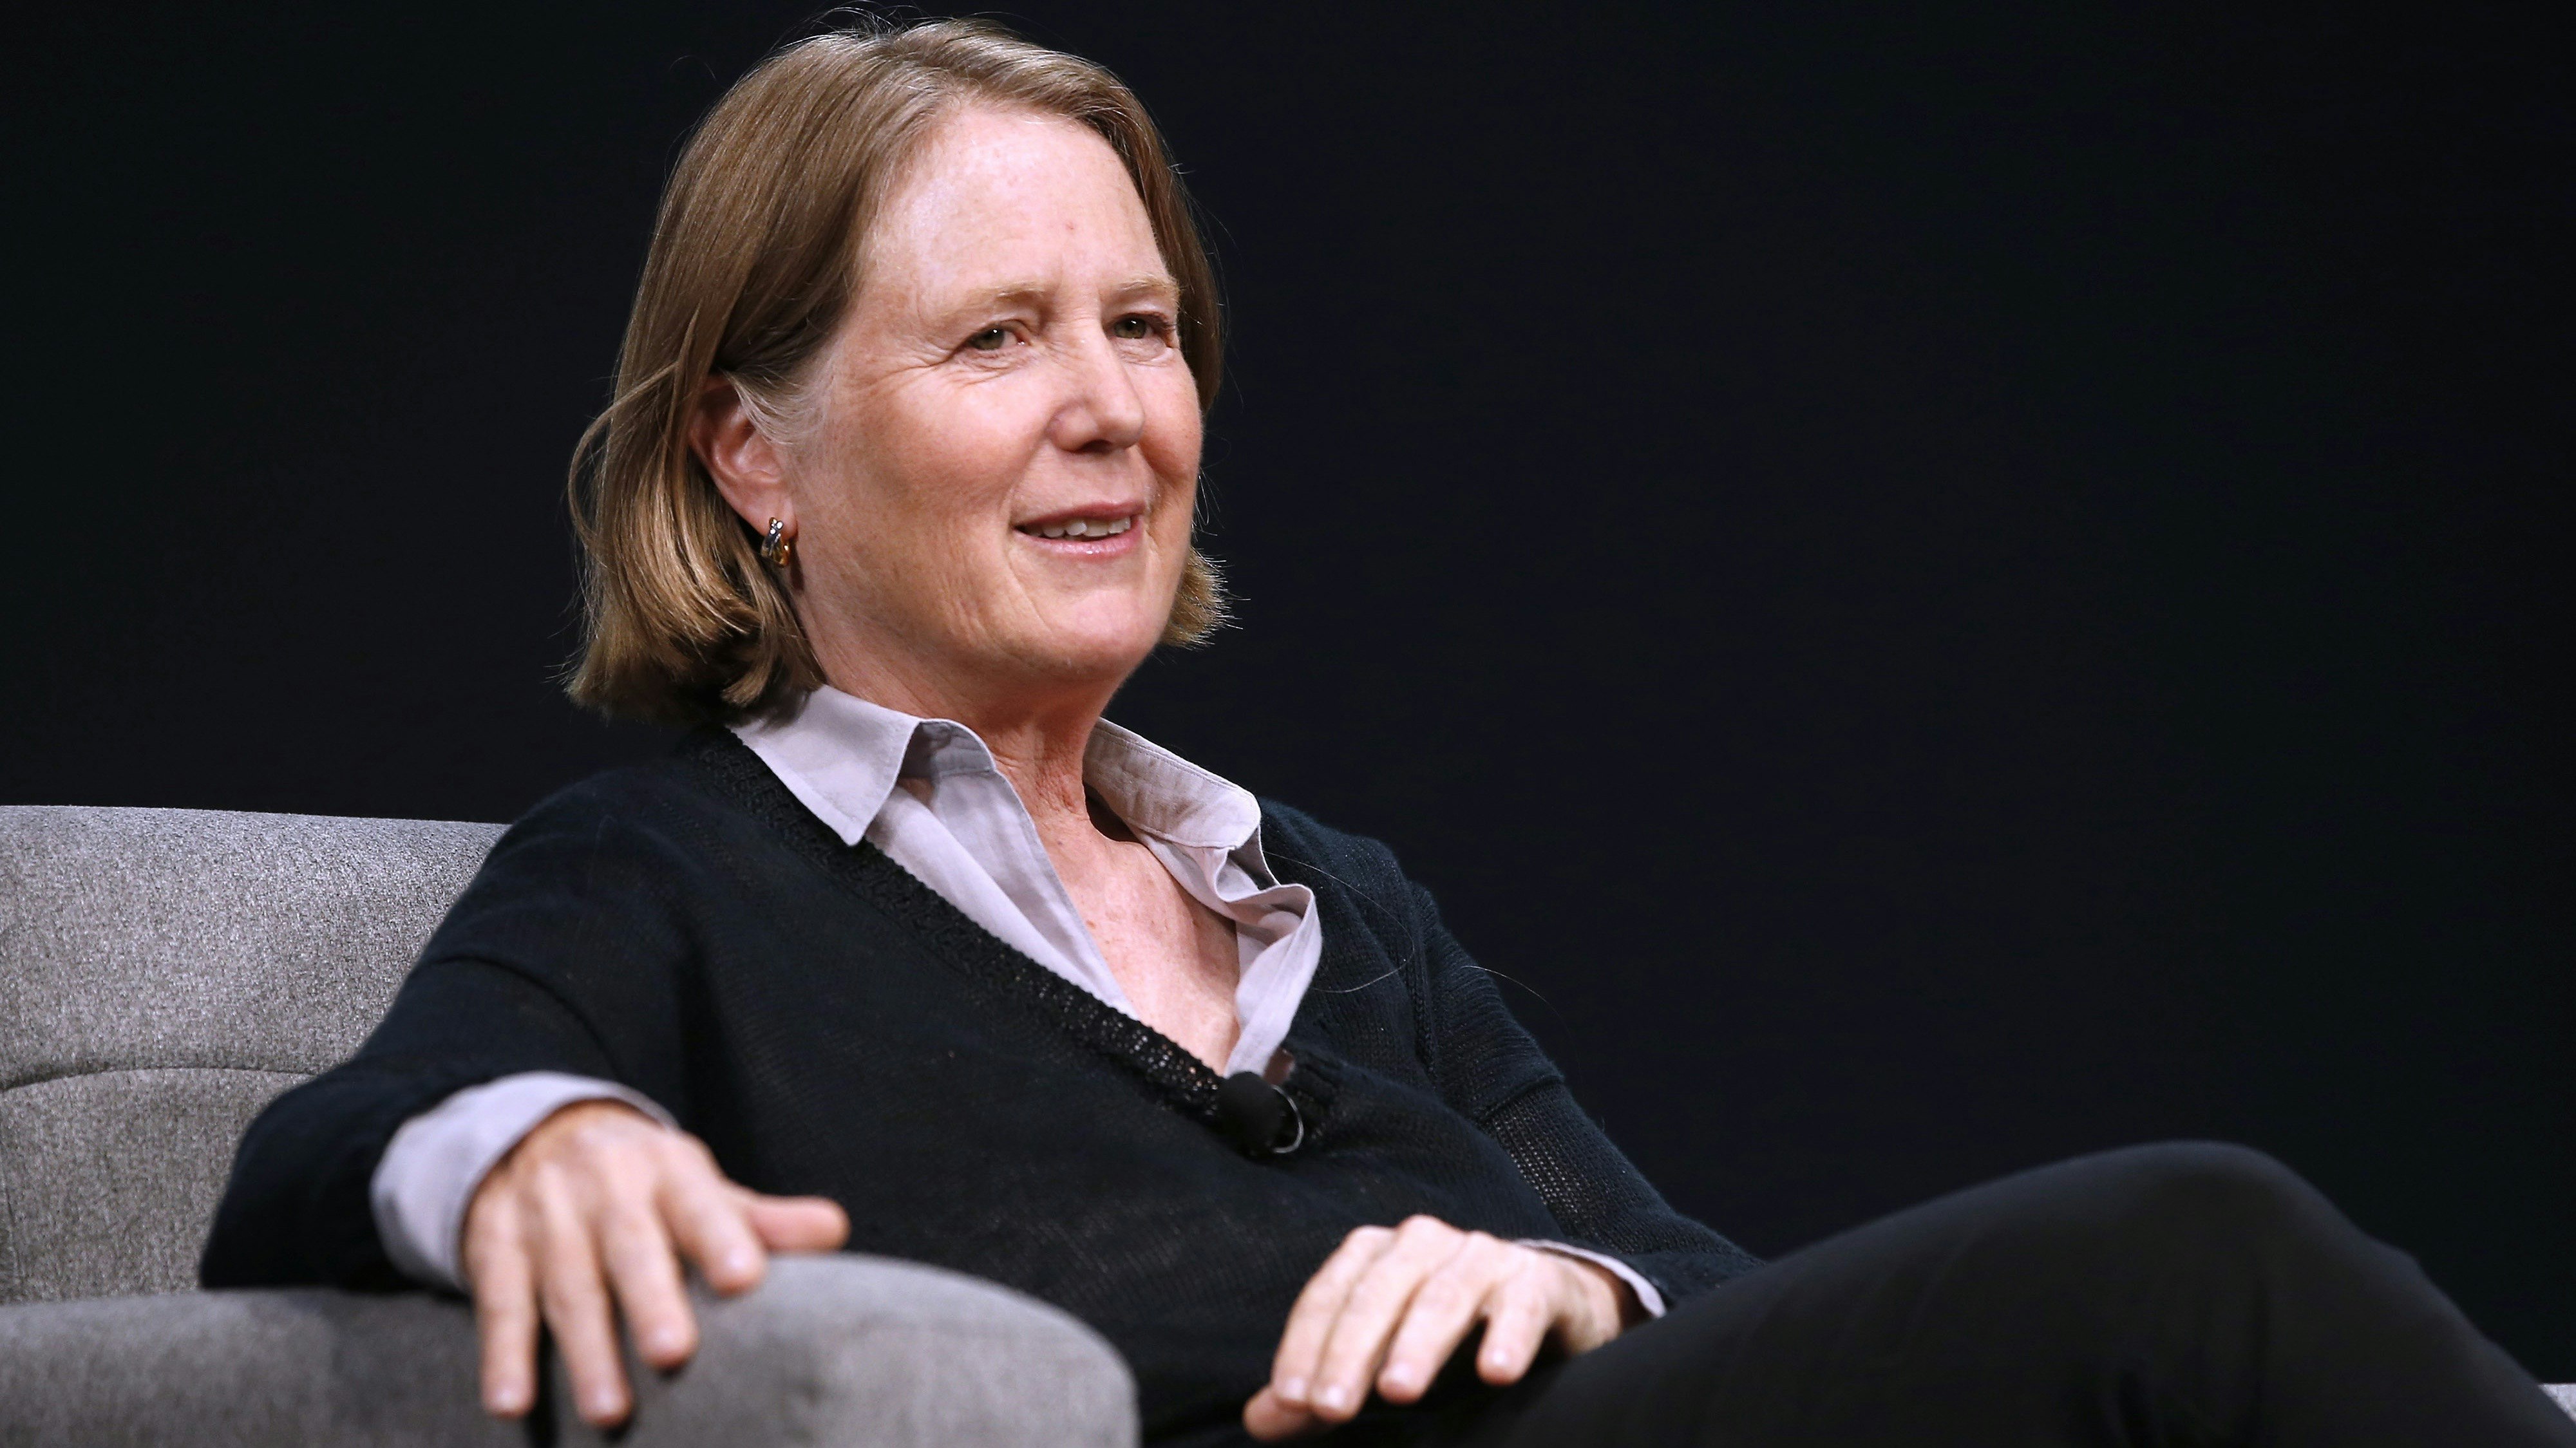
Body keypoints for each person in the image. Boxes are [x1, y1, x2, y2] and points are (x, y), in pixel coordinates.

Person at [200, 20, 2573, 1448]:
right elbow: (335, 1150)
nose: (1114, 408)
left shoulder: (1323, 891)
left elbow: (1710, 1299)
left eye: (1145, 325)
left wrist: (1571, 1287)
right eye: (999, 339)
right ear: (753, 452)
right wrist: (535, 1146)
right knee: (2198, 1258)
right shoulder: (672, 871)